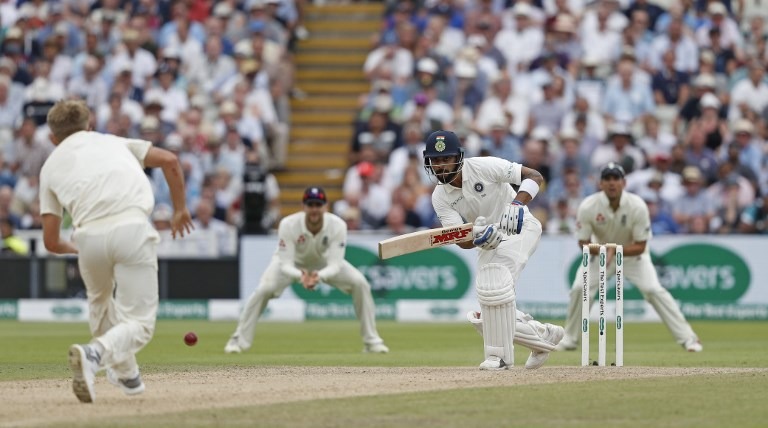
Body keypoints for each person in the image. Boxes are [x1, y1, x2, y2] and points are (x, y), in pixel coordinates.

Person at [38, 100, 194, 403]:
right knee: (140, 324)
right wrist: (179, 209)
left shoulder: (49, 167)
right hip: (132, 228)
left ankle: (128, 376)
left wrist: (79, 249)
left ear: (52, 138)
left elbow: (51, 242)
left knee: (100, 304)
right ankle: (94, 353)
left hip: (87, 236)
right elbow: (170, 161)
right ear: (89, 125)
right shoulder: (113, 141)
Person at [422, 130, 564, 371]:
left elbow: (535, 176)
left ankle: (500, 358)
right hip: (488, 242)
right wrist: (477, 237)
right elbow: (461, 239)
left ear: (459, 157)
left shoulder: (483, 166)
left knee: (495, 287)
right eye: (435, 161)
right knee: (486, 315)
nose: (441, 166)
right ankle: (542, 335)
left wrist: (517, 203)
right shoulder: (440, 197)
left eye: (445, 159)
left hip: (520, 228)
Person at [556, 163, 703, 353]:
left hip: (632, 255)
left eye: (615, 179)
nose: (611, 183)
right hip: (600, 254)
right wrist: (603, 251)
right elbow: (583, 242)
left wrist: (614, 251)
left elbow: (641, 246)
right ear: (600, 183)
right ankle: (570, 338)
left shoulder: (637, 206)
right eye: (607, 179)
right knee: (579, 288)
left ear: (623, 182)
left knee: (653, 290)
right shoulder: (589, 206)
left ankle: (689, 338)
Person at [224, 186, 388, 354]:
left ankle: (372, 341)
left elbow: (335, 264)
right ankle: (238, 340)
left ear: (325, 206)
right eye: (311, 205)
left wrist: (318, 276)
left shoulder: (337, 225)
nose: (314, 209)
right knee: (264, 289)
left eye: (318, 204)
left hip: (323, 264)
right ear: (303, 206)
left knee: (359, 283)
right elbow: (285, 263)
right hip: (293, 263)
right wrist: (301, 275)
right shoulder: (288, 224)